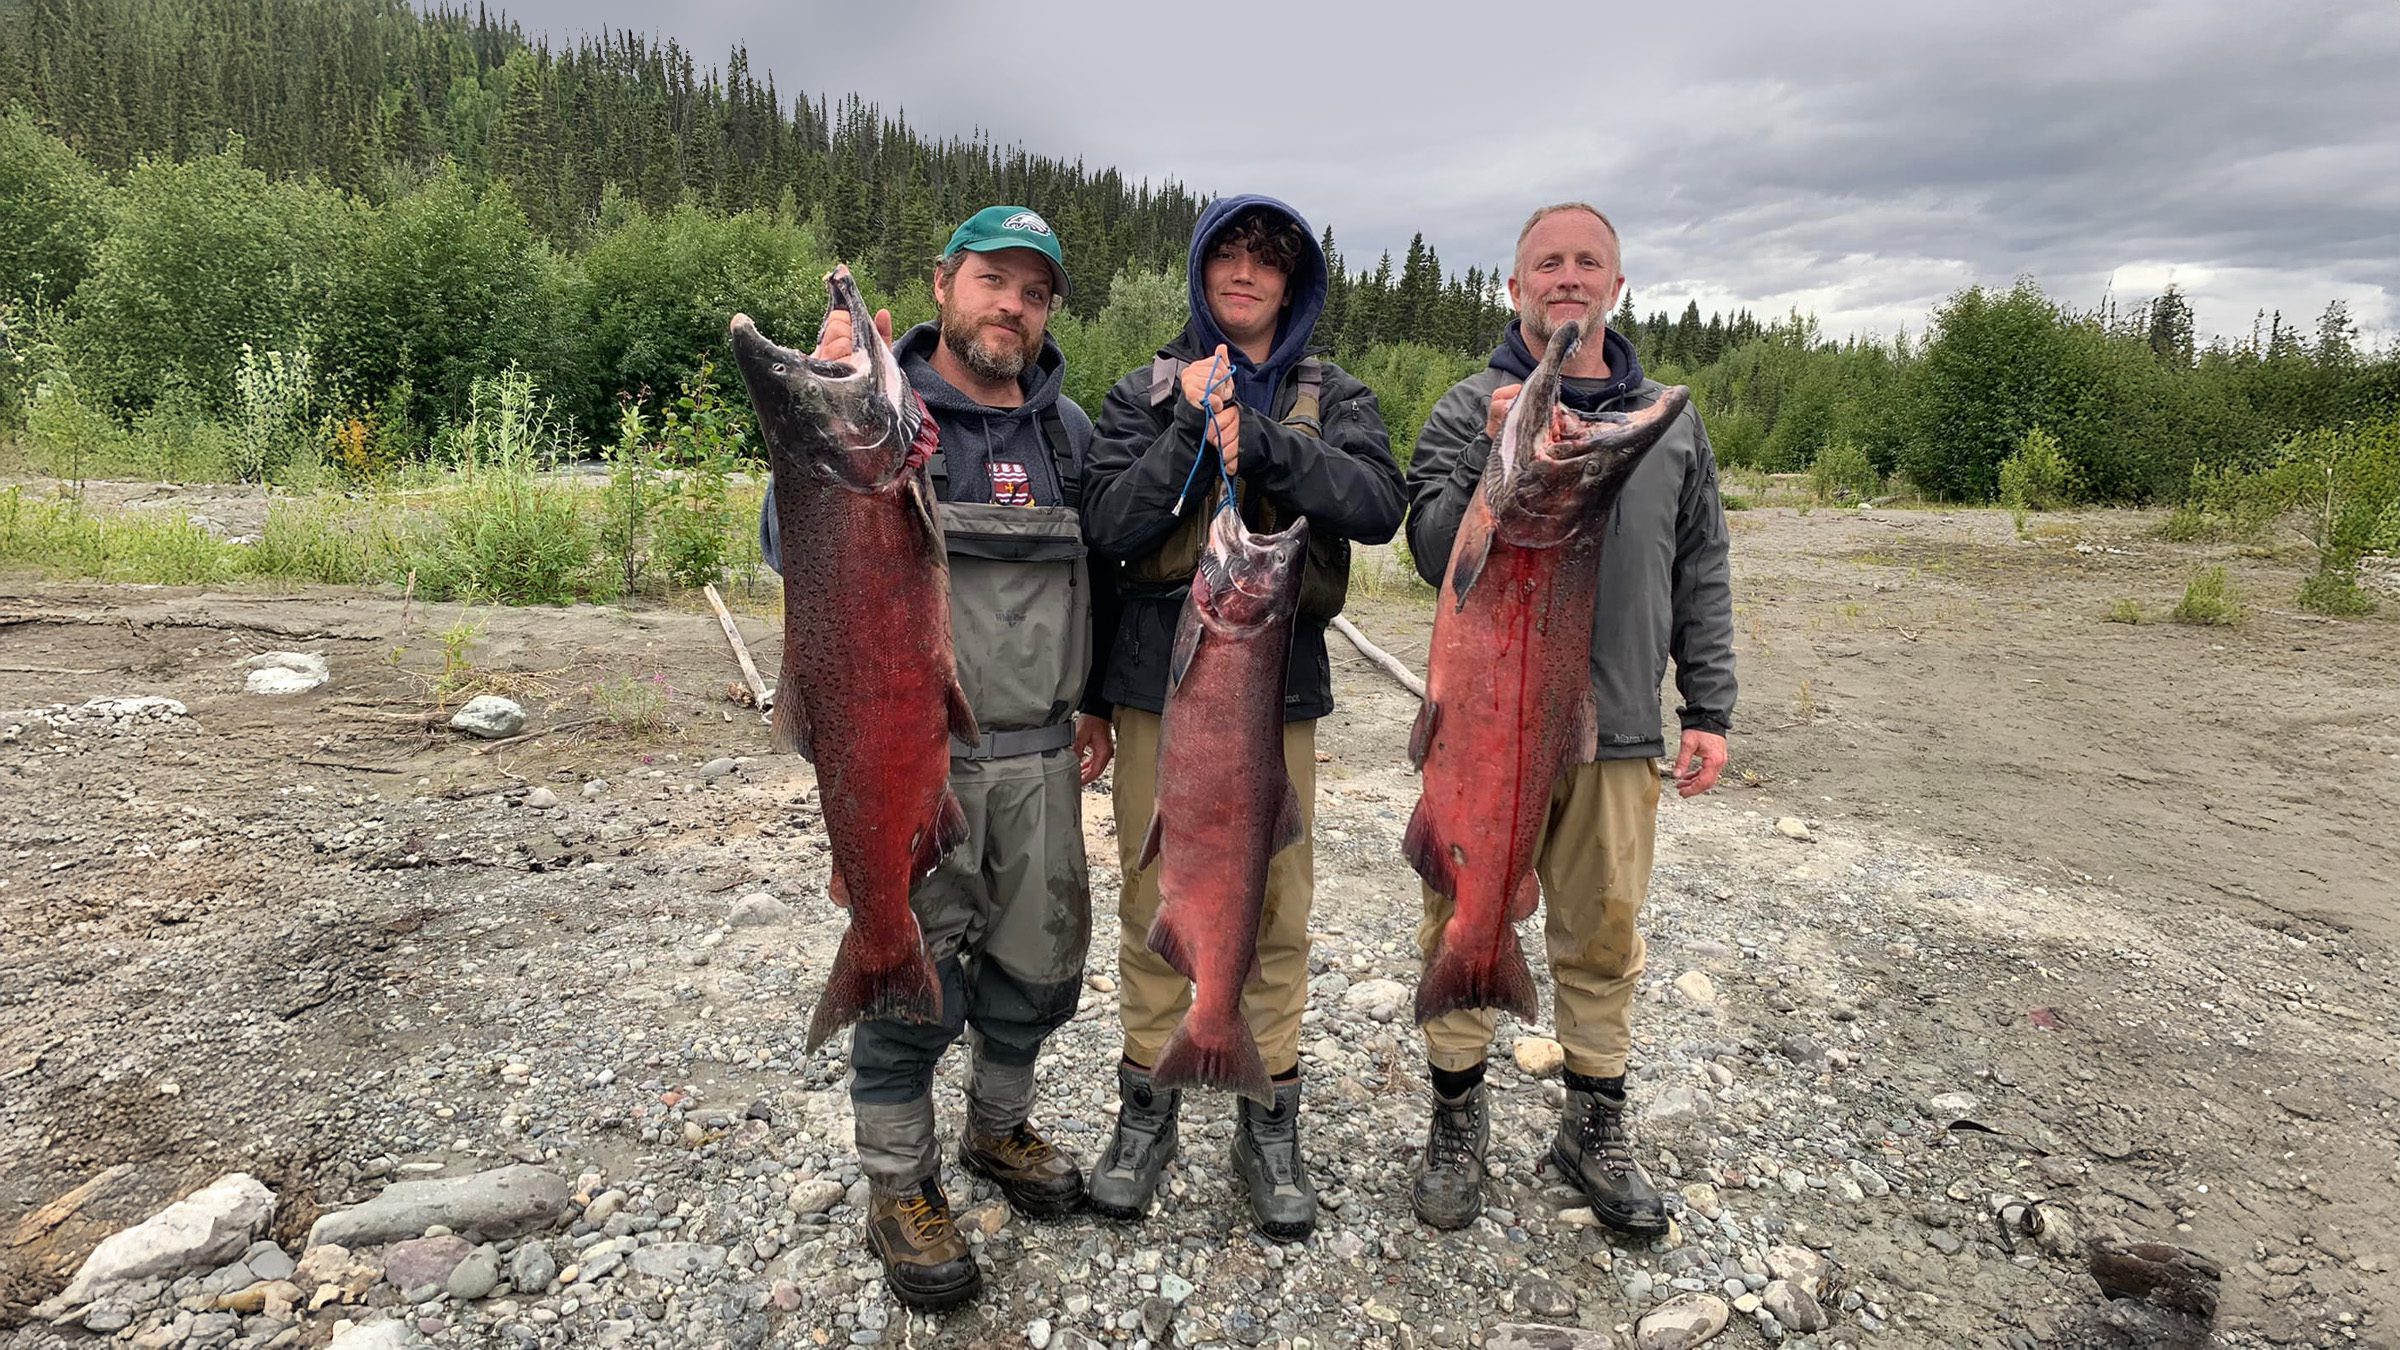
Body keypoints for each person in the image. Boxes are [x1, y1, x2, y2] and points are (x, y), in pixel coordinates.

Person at [758, 205, 1116, 1309]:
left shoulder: (1070, 436)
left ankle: (997, 1130)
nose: (1013, 305)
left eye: (1034, 291)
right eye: (992, 280)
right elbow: (790, 544)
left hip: (1045, 758)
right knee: (909, 974)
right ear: (943, 285)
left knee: (1040, 969)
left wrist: (1098, 702)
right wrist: (820, 407)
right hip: (916, 756)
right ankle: (899, 1185)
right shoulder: (877, 415)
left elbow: (1099, 578)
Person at [1400, 201, 1737, 1235]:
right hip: (1483, 729)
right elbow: (1430, 546)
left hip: (1617, 727)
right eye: (1547, 263)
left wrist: (1709, 706)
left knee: (1603, 932)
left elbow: (1701, 566)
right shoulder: (1471, 405)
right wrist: (1492, 453)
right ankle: (1456, 1119)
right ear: (1516, 288)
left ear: (1616, 286)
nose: (1568, 277)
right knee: (1461, 911)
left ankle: (1594, 1126)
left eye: (1589, 262)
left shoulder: (1667, 423)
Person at [1079, 195, 1405, 1240]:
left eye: (1268, 259)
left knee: (1275, 906)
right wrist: (1189, 422)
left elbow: (1378, 505)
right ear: (1201, 268)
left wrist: (1262, 443)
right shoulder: (1141, 391)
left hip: (1275, 691)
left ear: (1292, 282)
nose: (1246, 272)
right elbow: (1107, 524)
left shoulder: (1335, 394)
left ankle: (1270, 1120)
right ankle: (1147, 1107)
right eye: (1228, 252)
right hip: (1156, 688)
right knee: (1156, 898)